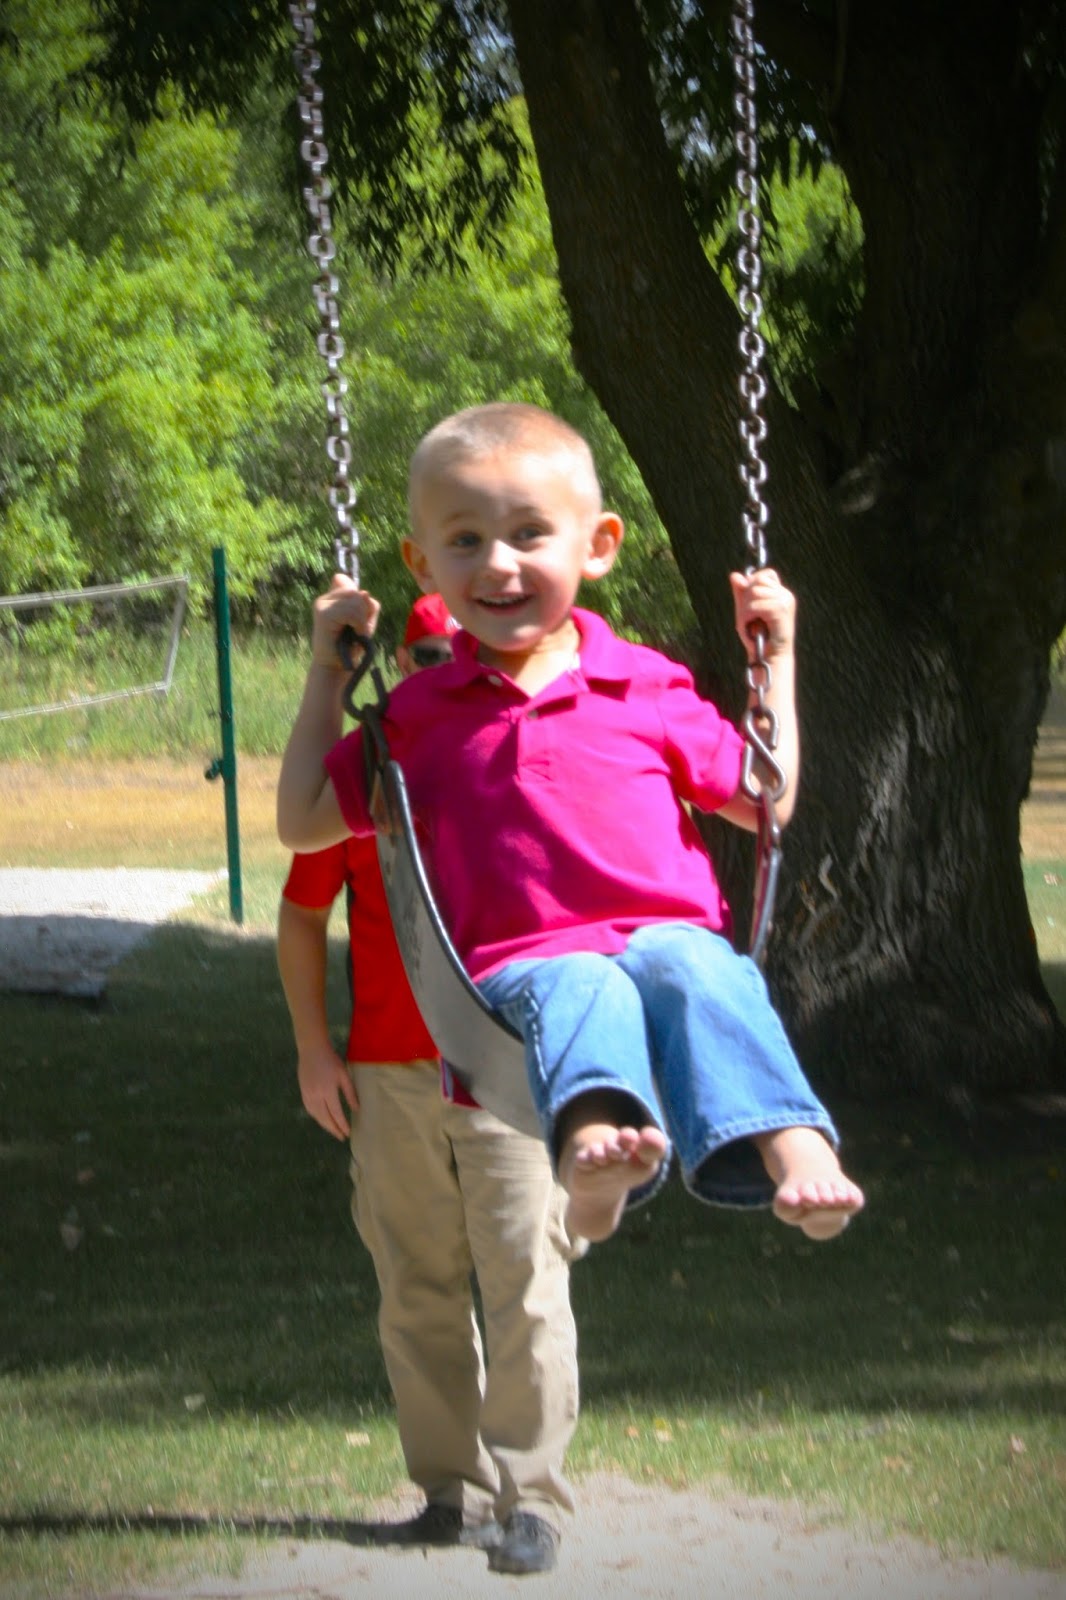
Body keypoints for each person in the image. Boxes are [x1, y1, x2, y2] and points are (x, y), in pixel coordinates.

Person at [277, 401, 865, 1253]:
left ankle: (792, 1142)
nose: (499, 562)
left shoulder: (646, 684)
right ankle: (593, 1155)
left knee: (700, 972)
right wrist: (327, 677)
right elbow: (302, 823)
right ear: (422, 562)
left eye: (528, 533)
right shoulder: (417, 715)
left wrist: (775, 660)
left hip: (667, 935)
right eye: (466, 540)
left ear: (597, 546)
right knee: (579, 982)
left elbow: (764, 801)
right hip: (523, 965)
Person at [277, 592, 582, 1578]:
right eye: (422, 652)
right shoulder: (369, 772)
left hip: (502, 1063)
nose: (440, 665)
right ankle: (448, 1491)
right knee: (416, 1284)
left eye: (460, 650)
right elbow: (299, 909)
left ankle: (531, 1500)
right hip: (388, 1068)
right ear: (399, 663)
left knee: (524, 1277)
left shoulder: (517, 762)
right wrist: (314, 1050)